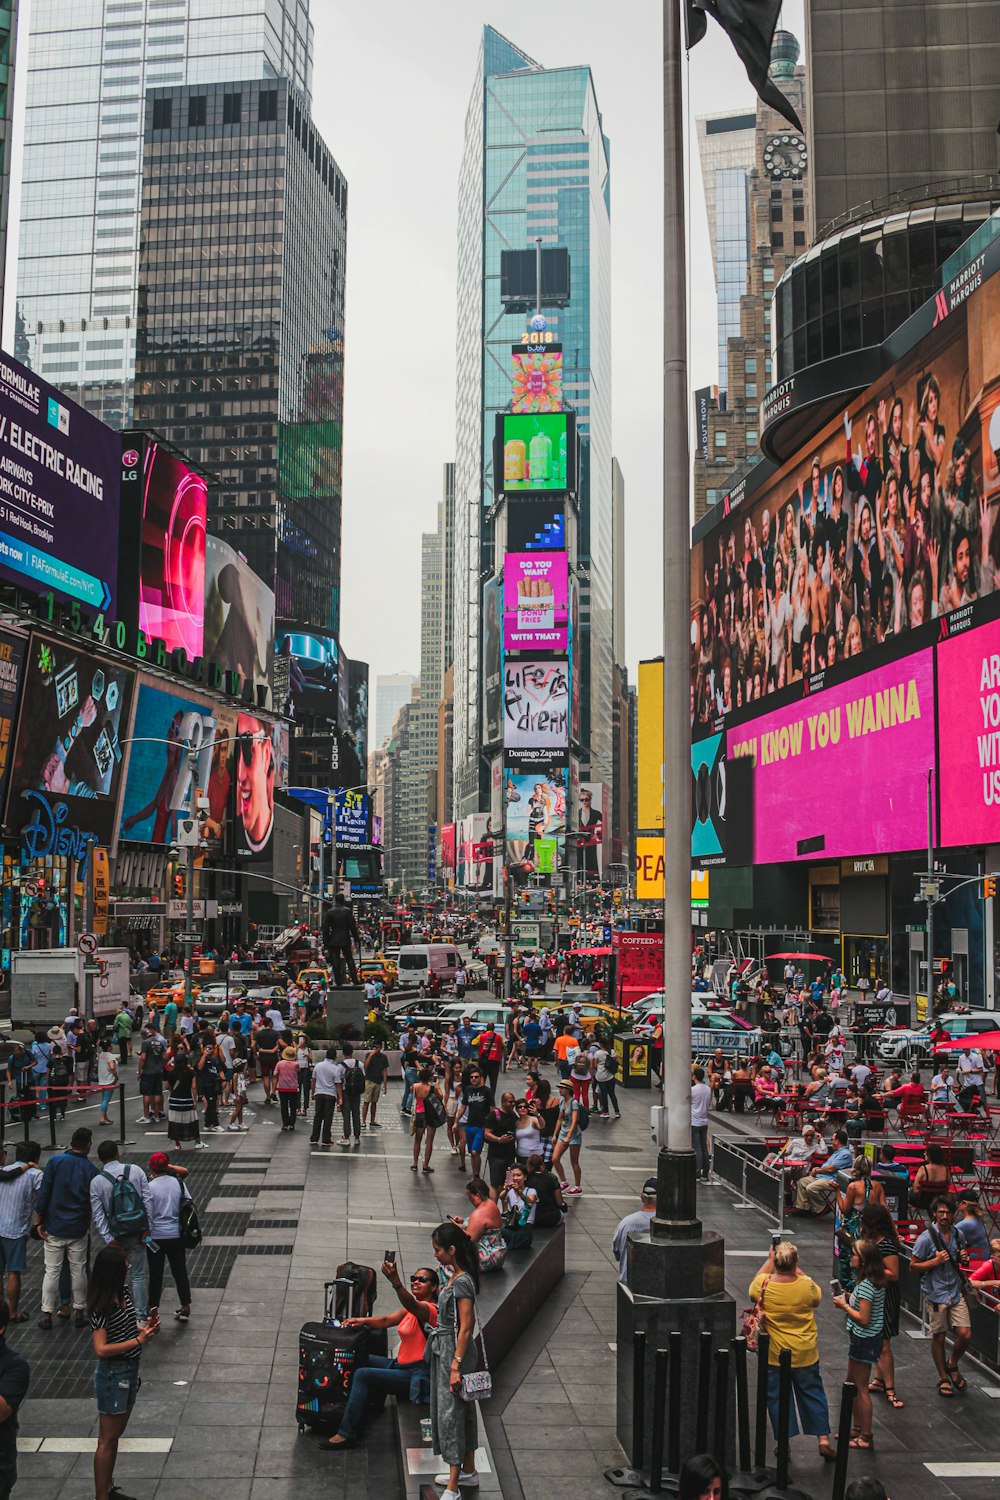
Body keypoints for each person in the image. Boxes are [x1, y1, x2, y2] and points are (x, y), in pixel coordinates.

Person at [318, 1256, 439, 1451]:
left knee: (363, 1375)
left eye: (422, 1279)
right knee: (355, 1358)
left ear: (434, 1287)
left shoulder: (430, 1310)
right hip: (400, 1364)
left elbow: (413, 1305)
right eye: (413, 1278)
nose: (416, 1282)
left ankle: (346, 1433)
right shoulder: (410, 1309)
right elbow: (384, 1320)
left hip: (415, 1375)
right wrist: (360, 1320)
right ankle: (343, 1408)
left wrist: (396, 1282)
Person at [747, 1241, 835, 1461]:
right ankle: (823, 1439)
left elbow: (752, 1290)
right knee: (813, 1393)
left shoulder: (764, 1284)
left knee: (777, 1397)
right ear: (795, 1262)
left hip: (776, 1355)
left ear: (776, 1261)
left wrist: (769, 1261)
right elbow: (817, 1297)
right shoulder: (806, 1285)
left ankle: (784, 1443)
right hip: (805, 1352)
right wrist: (796, 1268)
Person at [89, 1245, 160, 1500]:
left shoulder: (125, 1293)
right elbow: (101, 1348)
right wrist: (139, 1342)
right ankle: (102, 1494)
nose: (129, 1267)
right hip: (113, 1373)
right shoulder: (101, 1306)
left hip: (130, 1370)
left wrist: (145, 1329)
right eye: (124, 1265)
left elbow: (132, 1328)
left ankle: (108, 1487)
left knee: (115, 1434)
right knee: (107, 1438)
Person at [427, 1222, 481, 1500]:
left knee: (452, 1415)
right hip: (448, 1348)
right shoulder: (456, 1276)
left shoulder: (462, 1281)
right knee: (463, 1411)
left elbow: (466, 1326)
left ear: (451, 1249)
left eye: (438, 1250)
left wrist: (455, 1365)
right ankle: (469, 1471)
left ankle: (453, 1485)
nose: (435, 1254)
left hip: (454, 1351)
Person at [35, 1126, 98, 1329]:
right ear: (89, 1145)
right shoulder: (90, 1170)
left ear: (71, 1142)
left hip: (54, 1225)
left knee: (51, 1270)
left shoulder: (55, 1162)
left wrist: (39, 1221)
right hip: (78, 1226)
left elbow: (44, 1193)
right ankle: (80, 1311)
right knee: (78, 1269)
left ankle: (47, 1313)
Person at [910, 1197, 972, 1397]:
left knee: (965, 1334)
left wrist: (963, 1258)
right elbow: (913, 1266)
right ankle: (943, 1377)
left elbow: (961, 1255)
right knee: (939, 1335)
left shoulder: (958, 1234)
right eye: (941, 1212)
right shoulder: (926, 1238)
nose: (945, 1216)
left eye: (949, 1212)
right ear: (934, 1214)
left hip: (955, 1290)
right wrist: (934, 1261)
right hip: (936, 1292)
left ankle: (952, 1363)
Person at [831, 1238, 886, 1450]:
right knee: (851, 1383)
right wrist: (847, 1298)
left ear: (863, 1261)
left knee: (861, 1387)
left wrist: (845, 1306)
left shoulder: (866, 1286)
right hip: (867, 1338)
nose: (851, 1256)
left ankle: (866, 1435)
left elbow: (864, 1317)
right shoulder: (870, 1283)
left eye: (854, 1254)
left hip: (863, 1339)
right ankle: (854, 1428)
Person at [90, 1141, 152, 1323]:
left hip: (116, 1235)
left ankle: (117, 1315)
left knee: (115, 1276)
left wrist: (108, 1239)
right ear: (117, 1154)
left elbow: (98, 1214)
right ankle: (140, 1316)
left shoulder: (97, 1181)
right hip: (138, 1232)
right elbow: (147, 1200)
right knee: (138, 1275)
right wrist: (148, 1230)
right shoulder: (136, 1170)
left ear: (101, 1159)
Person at [859, 1203, 904, 1411]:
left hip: (886, 1297)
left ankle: (891, 1388)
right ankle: (878, 1379)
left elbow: (894, 1274)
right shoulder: (870, 1241)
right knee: (878, 1341)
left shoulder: (886, 1245)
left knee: (884, 1344)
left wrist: (869, 1268)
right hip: (874, 1294)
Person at [145, 1153, 193, 1322]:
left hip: (155, 1237)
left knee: (155, 1274)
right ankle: (185, 1305)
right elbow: (188, 1202)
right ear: (167, 1166)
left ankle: (153, 1311)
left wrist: (147, 1237)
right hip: (176, 1234)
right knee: (180, 1271)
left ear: (151, 1168)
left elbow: (147, 1213)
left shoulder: (149, 1187)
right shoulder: (178, 1183)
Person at [0, 1143, 43, 1324]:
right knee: (13, 1272)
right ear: (36, 1158)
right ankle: (12, 1312)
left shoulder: (4, 1169)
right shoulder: (36, 1174)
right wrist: (39, 1223)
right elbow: (43, 1200)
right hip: (15, 1229)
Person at [792, 1129, 852, 1216]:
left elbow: (831, 1169)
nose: (831, 1142)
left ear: (837, 1141)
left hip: (832, 1180)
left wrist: (817, 1170)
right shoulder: (837, 1152)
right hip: (823, 1176)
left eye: (832, 1139)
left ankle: (823, 1207)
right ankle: (804, 1209)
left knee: (810, 1188)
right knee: (801, 1182)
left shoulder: (845, 1154)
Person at [613, 1177, 657, 1282]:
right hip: (655, 1284)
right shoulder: (665, 1224)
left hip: (628, 1283)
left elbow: (616, 1251)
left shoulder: (626, 1223)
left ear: (641, 1196)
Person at [164, 1052, 205, 1152]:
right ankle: (198, 1142)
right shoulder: (190, 1073)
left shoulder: (172, 1073)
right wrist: (194, 1100)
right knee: (192, 1122)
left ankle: (177, 1144)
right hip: (187, 1100)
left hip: (174, 1101)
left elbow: (167, 1086)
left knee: (175, 1123)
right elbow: (194, 1087)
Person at [551, 1079, 583, 1195]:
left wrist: (569, 1136)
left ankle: (578, 1186)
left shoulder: (573, 1102)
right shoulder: (561, 1102)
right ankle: (563, 1181)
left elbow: (574, 1120)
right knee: (555, 1158)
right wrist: (555, 1134)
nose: (560, 1090)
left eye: (562, 1088)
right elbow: (560, 1119)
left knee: (574, 1161)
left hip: (574, 1135)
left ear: (568, 1090)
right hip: (562, 1134)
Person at [484, 1092, 517, 1199]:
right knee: (495, 1183)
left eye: (514, 1102)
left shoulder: (513, 1115)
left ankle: (505, 1210)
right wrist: (498, 1139)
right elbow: (487, 1133)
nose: (513, 1104)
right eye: (510, 1102)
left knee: (508, 1182)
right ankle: (492, 1207)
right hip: (496, 1156)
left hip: (510, 1155)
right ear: (503, 1102)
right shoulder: (494, 1115)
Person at [322, 894, 361, 987]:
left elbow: (326, 929)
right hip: (345, 938)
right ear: (343, 900)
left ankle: (338, 981)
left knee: (335, 961)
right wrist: (356, 939)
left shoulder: (330, 912)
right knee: (349, 960)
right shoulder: (347, 911)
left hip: (334, 939)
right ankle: (355, 980)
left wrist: (326, 942)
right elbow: (352, 927)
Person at [309, 1046, 343, 1148]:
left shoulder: (318, 1066)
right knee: (328, 1117)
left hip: (319, 1093)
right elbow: (337, 1084)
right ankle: (326, 1139)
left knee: (318, 1116)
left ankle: (314, 1138)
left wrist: (313, 1092)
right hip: (330, 1094)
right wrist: (340, 1097)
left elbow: (313, 1080)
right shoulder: (336, 1069)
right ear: (335, 1057)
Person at [499, 1165, 537, 1251]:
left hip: (525, 1226)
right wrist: (506, 1189)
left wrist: (519, 1193)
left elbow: (530, 1201)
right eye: (513, 1176)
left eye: (519, 1175)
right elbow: (501, 1197)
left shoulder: (531, 1191)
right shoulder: (510, 1192)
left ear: (525, 1177)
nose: (516, 1178)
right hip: (513, 1225)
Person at [136, 1026, 168, 1125]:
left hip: (148, 1070)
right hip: (158, 1070)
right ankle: (157, 1115)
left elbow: (143, 1058)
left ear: (144, 1036)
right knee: (157, 1092)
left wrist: (139, 1070)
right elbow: (164, 1056)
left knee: (146, 1093)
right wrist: (161, 1065)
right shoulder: (160, 1042)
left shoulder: (145, 1043)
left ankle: (146, 1116)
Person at [411, 1069, 441, 1175]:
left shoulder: (415, 1086)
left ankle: (415, 1163)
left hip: (419, 1113)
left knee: (417, 1140)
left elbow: (412, 1092)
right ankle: (425, 1165)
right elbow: (441, 1096)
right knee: (429, 1141)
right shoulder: (432, 1088)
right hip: (430, 1114)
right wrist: (437, 1085)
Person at [525, 1153, 563, 1228]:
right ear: (542, 1166)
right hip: (552, 1217)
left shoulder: (526, 1179)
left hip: (532, 1219)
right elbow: (559, 1202)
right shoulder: (551, 1178)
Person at [911, 1143, 950, 1213]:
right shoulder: (946, 1170)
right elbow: (947, 1187)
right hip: (940, 1200)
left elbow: (915, 1188)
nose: (924, 1154)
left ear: (929, 1155)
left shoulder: (923, 1169)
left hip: (923, 1201)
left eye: (925, 1152)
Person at [340, 1043, 364, 1145]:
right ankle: (357, 1137)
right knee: (356, 1114)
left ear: (343, 1053)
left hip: (346, 1092)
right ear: (352, 1052)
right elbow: (363, 1077)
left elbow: (339, 1081)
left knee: (346, 1115)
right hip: (357, 1093)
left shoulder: (341, 1066)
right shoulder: (359, 1064)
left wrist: (339, 1097)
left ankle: (346, 1137)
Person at [362, 1040, 389, 1130]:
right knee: (366, 1101)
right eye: (374, 1047)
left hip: (377, 1081)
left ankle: (372, 1120)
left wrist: (385, 1084)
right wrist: (370, 1055)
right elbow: (365, 1065)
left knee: (374, 1102)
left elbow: (384, 1071)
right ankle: (363, 1121)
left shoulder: (383, 1057)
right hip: (369, 1080)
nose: (375, 1049)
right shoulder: (369, 1055)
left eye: (377, 1047)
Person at [253, 1017, 280, 1106]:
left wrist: (256, 1053)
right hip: (273, 1057)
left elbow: (253, 1045)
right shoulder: (275, 1033)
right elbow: (281, 1042)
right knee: (275, 1075)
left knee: (266, 1076)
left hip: (263, 1057)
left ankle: (267, 1097)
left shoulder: (258, 1034)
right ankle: (273, 1092)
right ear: (271, 1023)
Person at [274, 1046, 301, 1131]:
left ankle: (285, 1124)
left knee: (284, 1106)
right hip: (293, 1088)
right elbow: (299, 1070)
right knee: (293, 1107)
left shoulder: (280, 1063)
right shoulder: (296, 1064)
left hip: (282, 1087)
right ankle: (292, 1124)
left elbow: (275, 1074)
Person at [691, 1067, 711, 1181]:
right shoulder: (707, 1089)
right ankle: (705, 1171)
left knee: (697, 1147)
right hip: (704, 1121)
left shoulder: (693, 1090)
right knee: (704, 1147)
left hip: (695, 1121)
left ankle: (697, 1171)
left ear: (694, 1076)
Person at [593, 1041, 621, 1121]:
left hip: (601, 1076)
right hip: (610, 1076)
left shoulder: (597, 1053)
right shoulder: (612, 1052)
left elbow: (595, 1065)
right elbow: (617, 1061)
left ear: (601, 1044)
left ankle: (606, 1112)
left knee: (604, 1094)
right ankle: (617, 1112)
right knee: (612, 1094)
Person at [96, 1038, 119, 1127]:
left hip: (102, 1079)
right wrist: (116, 1076)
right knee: (106, 1099)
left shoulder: (101, 1055)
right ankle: (102, 1118)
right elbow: (112, 1067)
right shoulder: (110, 1056)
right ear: (109, 1047)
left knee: (104, 1099)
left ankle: (105, 1117)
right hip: (109, 1080)